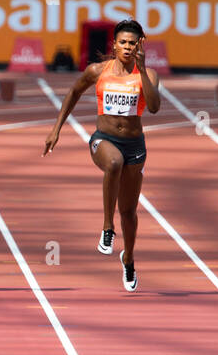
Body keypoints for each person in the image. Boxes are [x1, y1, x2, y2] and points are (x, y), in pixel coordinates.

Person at [43, 19, 162, 292]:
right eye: (123, 42)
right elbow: (73, 92)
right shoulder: (98, 71)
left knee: (130, 213)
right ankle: (107, 227)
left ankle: (129, 259)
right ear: (114, 45)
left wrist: (142, 70)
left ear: (140, 45)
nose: (128, 47)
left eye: (133, 43)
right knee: (113, 163)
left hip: (135, 146)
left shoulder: (149, 75)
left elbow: (154, 107)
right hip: (104, 140)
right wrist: (56, 129)